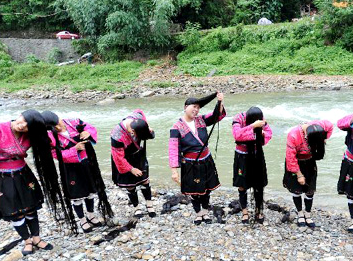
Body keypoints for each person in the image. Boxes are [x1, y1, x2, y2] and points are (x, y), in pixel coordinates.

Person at [0, 110, 58, 255]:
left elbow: (49, 143)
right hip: (2, 178)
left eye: (28, 126)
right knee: (15, 212)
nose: (22, 125)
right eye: (23, 120)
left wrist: (48, 129)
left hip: (23, 175)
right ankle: (27, 240)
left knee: (30, 208)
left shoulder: (29, 135)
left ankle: (37, 238)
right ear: (20, 114)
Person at [42, 111, 112, 233]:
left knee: (90, 191)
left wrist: (87, 132)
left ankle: (90, 214)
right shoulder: (50, 137)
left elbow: (91, 127)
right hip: (70, 168)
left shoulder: (75, 122)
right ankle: (82, 219)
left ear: (59, 117)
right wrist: (75, 149)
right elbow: (56, 155)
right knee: (77, 195)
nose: (58, 128)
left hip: (87, 162)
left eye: (58, 124)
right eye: (54, 127)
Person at [169, 92, 226, 225]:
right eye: (193, 106)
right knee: (194, 191)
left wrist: (220, 102)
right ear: (185, 107)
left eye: (198, 108)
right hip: (190, 163)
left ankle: (205, 212)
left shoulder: (201, 120)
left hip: (206, 159)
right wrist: (174, 170)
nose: (196, 110)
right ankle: (198, 213)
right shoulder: (176, 127)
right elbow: (173, 149)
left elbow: (217, 115)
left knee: (206, 189)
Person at [283, 119, 333, 228]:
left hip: (310, 161)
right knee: (297, 189)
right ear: (306, 136)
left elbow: (330, 126)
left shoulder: (320, 126)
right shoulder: (293, 135)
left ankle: (308, 214)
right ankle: (300, 213)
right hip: (296, 162)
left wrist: (324, 138)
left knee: (310, 190)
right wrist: (299, 174)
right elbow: (290, 158)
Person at [111, 110, 156, 218]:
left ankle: (149, 204)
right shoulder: (116, 135)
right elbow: (118, 158)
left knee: (145, 181)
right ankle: (136, 207)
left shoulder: (138, 117)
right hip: (123, 158)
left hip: (138, 155)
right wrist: (131, 169)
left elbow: (139, 111)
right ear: (132, 131)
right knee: (130, 185)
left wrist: (149, 129)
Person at [232, 107, 272, 224]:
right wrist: (252, 127)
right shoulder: (238, 118)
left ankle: (258, 209)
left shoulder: (262, 120)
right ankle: (245, 211)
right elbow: (237, 135)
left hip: (257, 154)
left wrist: (263, 134)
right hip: (242, 156)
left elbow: (269, 134)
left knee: (259, 184)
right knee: (242, 185)